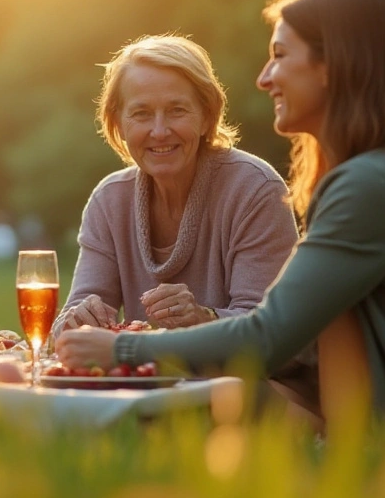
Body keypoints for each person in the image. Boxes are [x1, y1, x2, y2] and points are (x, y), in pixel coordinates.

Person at [56, 0, 385, 424]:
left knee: (199, 404)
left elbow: (269, 338)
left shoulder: (374, 185)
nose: (264, 78)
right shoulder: (383, 173)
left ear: (334, 66)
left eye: (280, 55)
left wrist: (121, 347)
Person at [52, 35, 298, 335]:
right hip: (151, 380)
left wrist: (203, 317)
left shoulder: (255, 190)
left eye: (176, 110)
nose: (159, 131)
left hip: (247, 380)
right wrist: (76, 321)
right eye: (141, 113)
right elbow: (67, 329)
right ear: (118, 123)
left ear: (207, 115)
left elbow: (269, 334)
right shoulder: (110, 201)